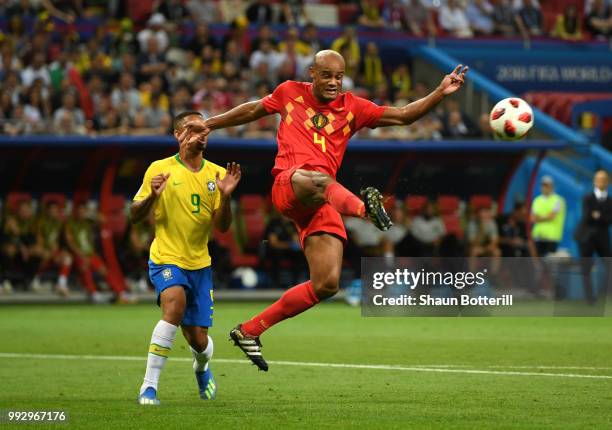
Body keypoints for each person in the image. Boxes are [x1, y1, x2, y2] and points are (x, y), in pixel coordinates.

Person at [183, 50, 468, 371]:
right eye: (327, 75)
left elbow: (403, 115)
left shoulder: (354, 107)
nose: (333, 82)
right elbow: (252, 110)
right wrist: (209, 124)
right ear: (312, 73)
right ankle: (366, 210)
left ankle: (250, 330)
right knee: (318, 179)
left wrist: (440, 92)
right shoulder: (289, 92)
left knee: (327, 283)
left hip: (323, 200)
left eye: (339, 76)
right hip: (290, 186)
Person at [132, 111, 241, 405]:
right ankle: (149, 387)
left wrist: (227, 196)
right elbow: (134, 215)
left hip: (199, 264)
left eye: (204, 130)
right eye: (193, 130)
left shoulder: (217, 174)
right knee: (174, 306)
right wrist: (153, 197)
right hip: (166, 257)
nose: (200, 135)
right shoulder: (160, 168)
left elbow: (222, 226)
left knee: (199, 340)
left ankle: (202, 367)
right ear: (178, 135)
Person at [575, 170, 612, 303]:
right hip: (585, 237)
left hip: (603, 238)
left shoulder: (609, 200)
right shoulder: (587, 198)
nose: (600, 181)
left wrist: (598, 215)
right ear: (594, 181)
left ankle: (606, 294)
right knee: (586, 268)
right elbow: (587, 216)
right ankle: (589, 298)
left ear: (607, 182)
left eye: (603, 179)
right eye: (598, 179)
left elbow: (609, 219)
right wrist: (602, 216)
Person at [531, 176, 566, 257]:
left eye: (547, 185)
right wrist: (545, 217)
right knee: (538, 261)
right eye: (543, 185)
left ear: (552, 186)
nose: (544, 188)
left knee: (549, 263)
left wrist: (539, 218)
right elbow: (533, 218)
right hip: (538, 236)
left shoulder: (558, 200)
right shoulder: (537, 200)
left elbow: (551, 216)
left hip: (552, 237)